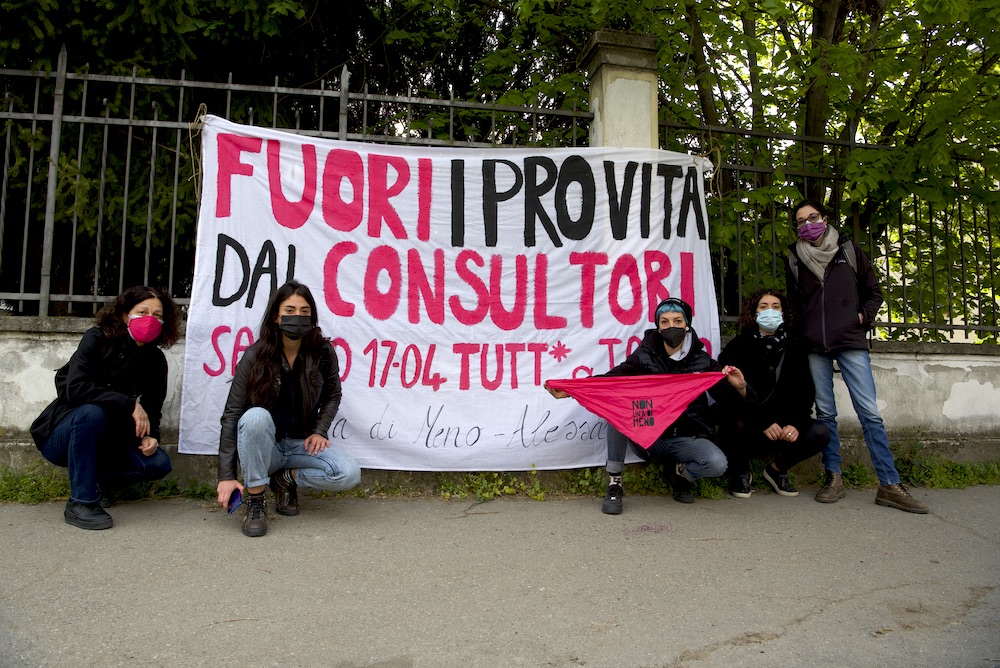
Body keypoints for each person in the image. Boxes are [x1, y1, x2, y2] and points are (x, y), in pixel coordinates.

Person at [786, 199, 927, 513]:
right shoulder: (795, 258)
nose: (807, 224)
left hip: (850, 340)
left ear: (824, 218)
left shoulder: (848, 251)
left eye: (812, 217)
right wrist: (804, 331)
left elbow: (874, 291)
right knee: (825, 413)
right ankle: (833, 477)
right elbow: (794, 304)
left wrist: (862, 317)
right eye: (800, 221)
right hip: (815, 347)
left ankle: (889, 484)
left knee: (869, 414)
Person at [549, 297, 745, 513]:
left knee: (717, 463)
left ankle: (680, 475)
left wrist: (740, 387)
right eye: (665, 321)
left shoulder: (702, 361)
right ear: (658, 326)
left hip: (688, 438)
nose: (672, 326)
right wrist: (570, 391)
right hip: (651, 438)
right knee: (618, 414)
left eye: (678, 321)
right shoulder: (644, 356)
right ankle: (615, 483)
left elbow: (726, 400)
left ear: (687, 324)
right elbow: (610, 381)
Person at [216, 280, 361, 537]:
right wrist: (226, 475)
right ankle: (256, 502)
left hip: (300, 444)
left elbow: (333, 394)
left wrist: (320, 430)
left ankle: (285, 479)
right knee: (255, 417)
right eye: (290, 310)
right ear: (276, 316)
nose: (298, 316)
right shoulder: (255, 355)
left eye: (304, 312)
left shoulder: (323, 352)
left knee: (347, 473)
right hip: (267, 448)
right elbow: (231, 415)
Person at [30, 286, 180, 530]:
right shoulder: (97, 338)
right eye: (142, 312)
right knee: (92, 412)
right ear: (124, 315)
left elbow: (152, 409)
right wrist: (128, 403)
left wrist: (151, 437)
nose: (150, 320)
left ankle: (98, 482)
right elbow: (74, 388)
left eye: (157, 315)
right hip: (65, 434)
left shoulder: (155, 360)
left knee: (159, 463)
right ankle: (81, 503)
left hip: (111, 441)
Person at [717, 289, 830, 498]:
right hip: (751, 425)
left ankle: (777, 470)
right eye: (763, 307)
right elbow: (725, 397)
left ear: (784, 313)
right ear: (754, 313)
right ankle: (741, 471)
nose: (770, 311)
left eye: (775, 307)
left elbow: (806, 393)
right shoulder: (737, 347)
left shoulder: (797, 347)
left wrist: (795, 424)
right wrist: (763, 422)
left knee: (821, 433)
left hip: (785, 427)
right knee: (734, 423)